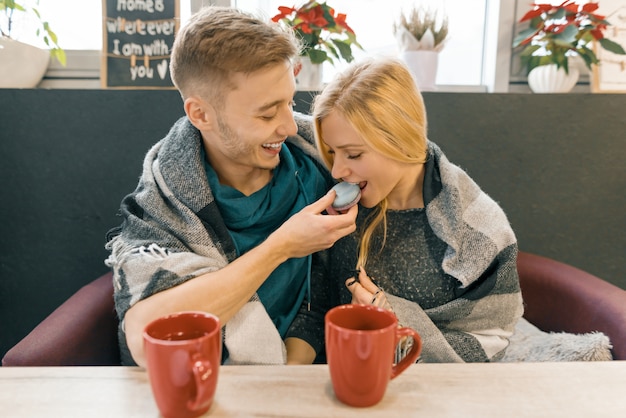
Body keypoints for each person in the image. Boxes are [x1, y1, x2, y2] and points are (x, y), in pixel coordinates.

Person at [104, 6, 358, 367]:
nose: (288, 127)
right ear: (201, 115)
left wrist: (288, 374)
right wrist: (281, 247)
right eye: (267, 113)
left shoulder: (317, 164)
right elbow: (148, 339)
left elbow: (321, 291)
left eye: (290, 102)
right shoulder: (163, 205)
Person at [285, 57, 524, 363]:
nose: (337, 171)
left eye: (354, 154)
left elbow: (492, 341)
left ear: (400, 140)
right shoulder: (339, 209)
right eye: (332, 153)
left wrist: (394, 321)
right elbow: (317, 306)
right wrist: (288, 374)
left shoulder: (476, 230)